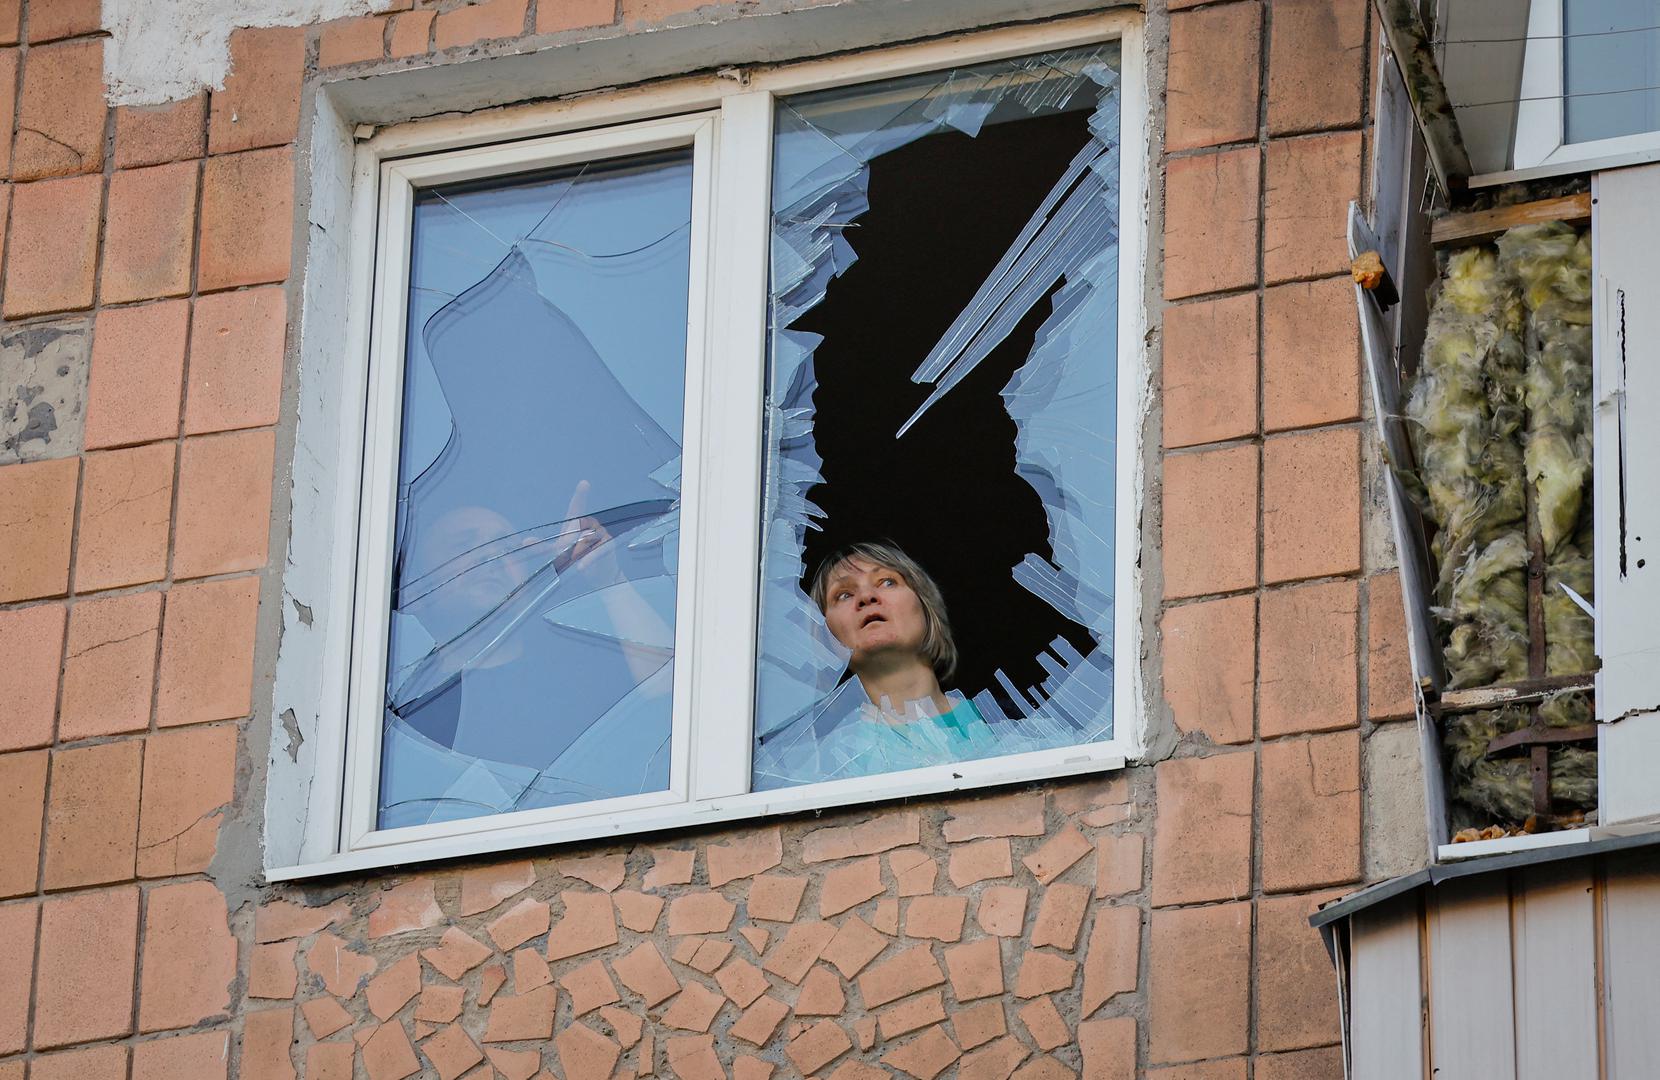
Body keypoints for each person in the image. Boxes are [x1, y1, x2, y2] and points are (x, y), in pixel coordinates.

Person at [802, 541, 997, 775]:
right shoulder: (827, 763)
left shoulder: (1002, 721)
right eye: (844, 595)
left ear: (926, 607)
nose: (866, 597)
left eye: (887, 581)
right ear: (826, 637)